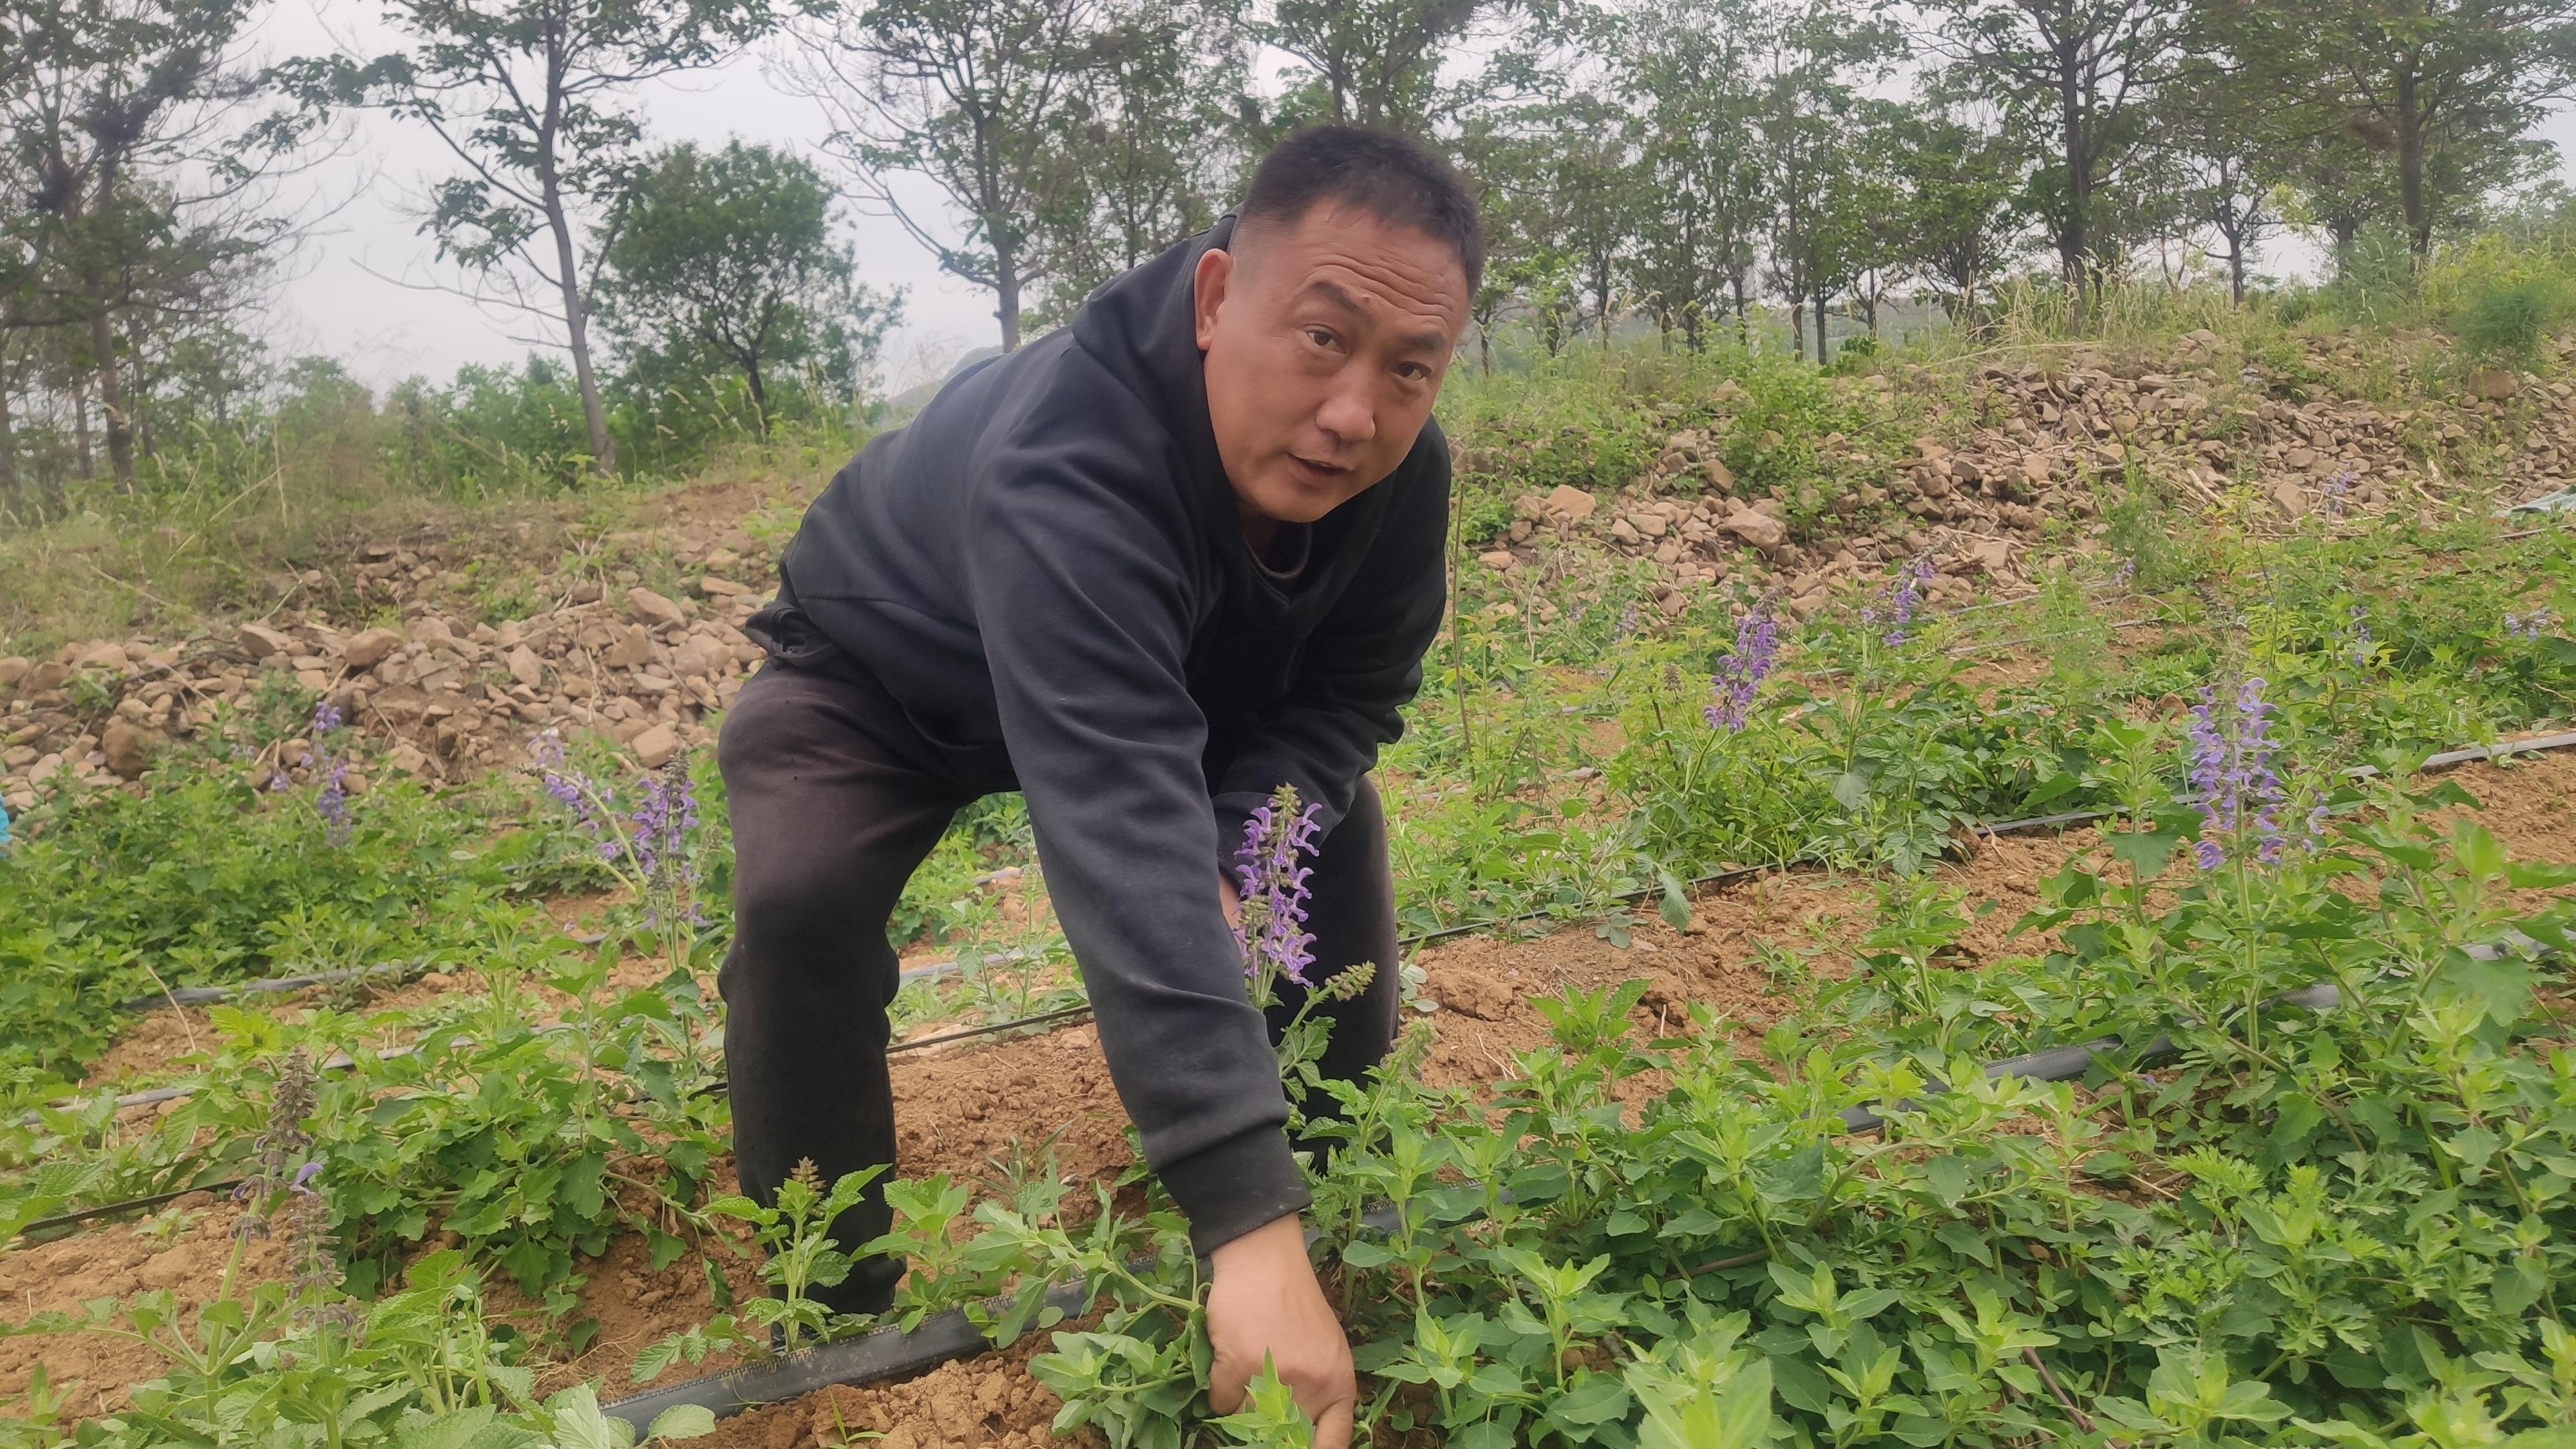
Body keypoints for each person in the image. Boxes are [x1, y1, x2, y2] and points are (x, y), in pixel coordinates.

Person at [717, 123, 1479, 1443]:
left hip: (1158, 667)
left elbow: (1346, 699)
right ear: (1215, 298)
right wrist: (1237, 1216)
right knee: (801, 902)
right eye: (1321, 337)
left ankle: (1344, 1184)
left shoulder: (1399, 482)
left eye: (1407, 368)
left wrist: (1243, 843)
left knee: (1312, 828)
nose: (1355, 413)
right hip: (888, 669)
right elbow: (1119, 816)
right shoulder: (1070, 461)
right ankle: (831, 1304)